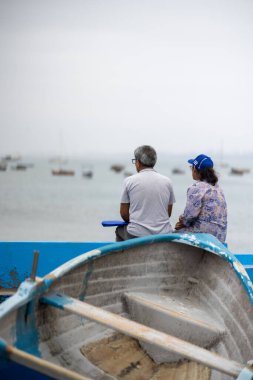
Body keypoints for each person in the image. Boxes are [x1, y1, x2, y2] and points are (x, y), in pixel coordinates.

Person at [115, 145, 176, 241]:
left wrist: (138, 222)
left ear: (138, 162)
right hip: (163, 233)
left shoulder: (129, 181)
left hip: (136, 234)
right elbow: (168, 213)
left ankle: (122, 255)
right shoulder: (167, 181)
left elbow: (124, 214)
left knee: (119, 230)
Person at [175, 154, 227, 243]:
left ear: (194, 169)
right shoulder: (218, 188)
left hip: (204, 237)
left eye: (191, 167)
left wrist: (182, 221)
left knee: (174, 235)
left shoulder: (196, 188)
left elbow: (189, 216)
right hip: (220, 237)